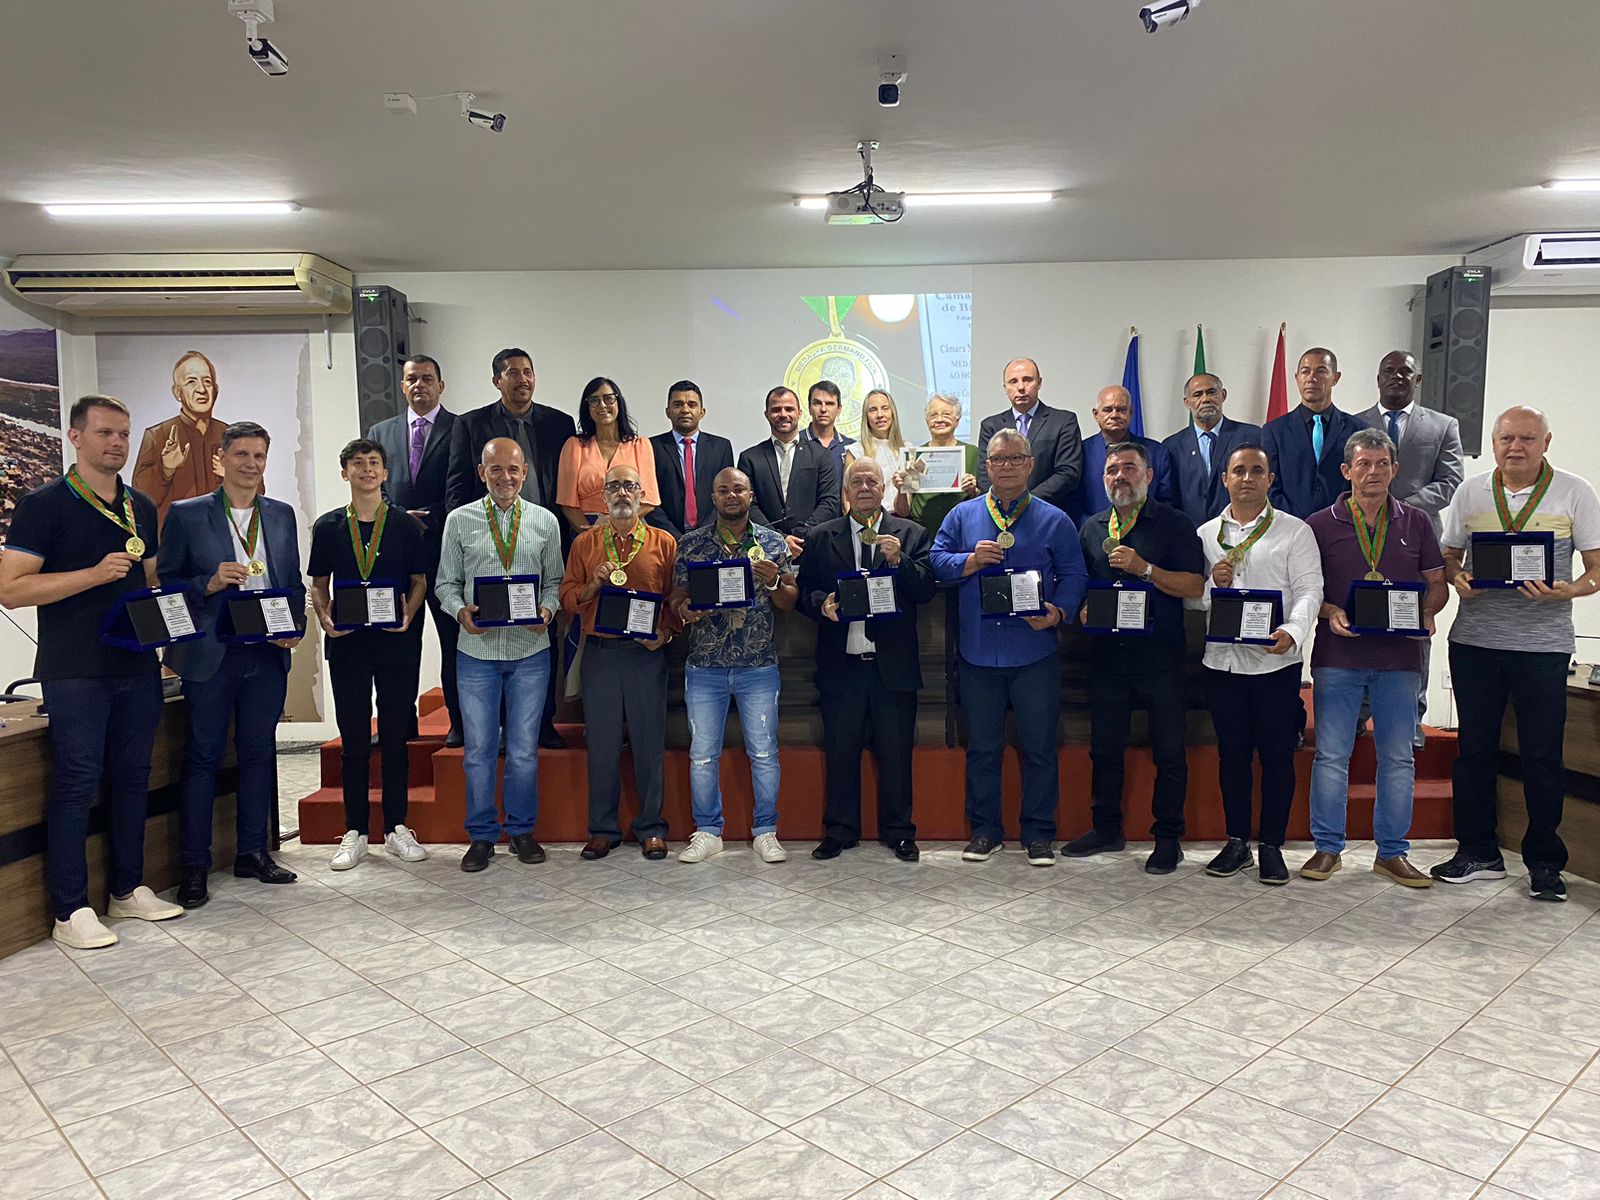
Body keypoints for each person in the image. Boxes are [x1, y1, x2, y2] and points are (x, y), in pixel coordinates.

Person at [0, 395, 184, 948]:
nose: (117, 443)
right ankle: (70, 908)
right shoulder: (44, 504)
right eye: (105, 433)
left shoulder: (141, 507)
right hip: (75, 668)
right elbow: (11, 588)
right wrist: (91, 575)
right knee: (78, 783)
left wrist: (173, 615)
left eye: (124, 434)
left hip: (136, 664)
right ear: (76, 437)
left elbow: (147, 580)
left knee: (133, 778)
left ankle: (126, 890)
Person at [1433, 406, 1600, 901]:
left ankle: (1546, 863)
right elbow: (1448, 554)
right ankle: (1478, 852)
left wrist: (1567, 592)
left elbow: (1595, 568)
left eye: (1527, 438)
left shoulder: (1575, 491)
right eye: (1506, 438)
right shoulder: (1471, 491)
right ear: (1495, 441)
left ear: (1546, 442)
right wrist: (1456, 577)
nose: (1516, 447)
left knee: (1543, 755)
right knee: (1475, 752)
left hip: (1541, 648)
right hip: (1475, 643)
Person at [159, 420, 304, 909]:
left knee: (259, 753)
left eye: (259, 456)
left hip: (265, 652)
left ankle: (253, 852)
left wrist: (295, 627)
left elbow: (293, 584)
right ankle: (194, 866)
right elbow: (168, 586)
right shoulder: (186, 514)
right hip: (211, 652)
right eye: (241, 454)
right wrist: (208, 582)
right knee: (202, 757)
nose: (251, 464)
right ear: (221, 459)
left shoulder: (280, 516)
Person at [930, 429, 1087, 865]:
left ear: (1030, 464)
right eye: (998, 460)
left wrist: (1058, 612)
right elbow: (935, 561)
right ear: (987, 466)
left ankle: (1038, 835)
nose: (1006, 466)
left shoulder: (1055, 519)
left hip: (1033, 651)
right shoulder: (963, 516)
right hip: (978, 653)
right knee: (982, 749)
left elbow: (1075, 576)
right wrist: (969, 560)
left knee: (1039, 749)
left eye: (1015, 458)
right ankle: (984, 831)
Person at [1302, 428, 1447, 887]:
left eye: (1382, 464)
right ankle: (1327, 849)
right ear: (1346, 472)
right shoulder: (1318, 525)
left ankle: (1392, 853)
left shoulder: (1417, 522)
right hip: (1338, 656)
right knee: (1330, 756)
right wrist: (1328, 611)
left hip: (1400, 660)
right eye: (1363, 464)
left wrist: (1427, 612)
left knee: (1399, 758)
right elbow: (1309, 590)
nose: (1372, 472)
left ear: (1395, 470)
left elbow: (1437, 583)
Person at [1065, 442, 1206, 874]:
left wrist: (1145, 568)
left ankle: (1168, 838)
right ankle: (1107, 828)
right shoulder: (1091, 528)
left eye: (1129, 468)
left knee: (1168, 752)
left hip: (1161, 658)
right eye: (1111, 470)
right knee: (1105, 751)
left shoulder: (1175, 524)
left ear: (1147, 476)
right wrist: (1085, 606)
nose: (1119, 476)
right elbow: (1083, 585)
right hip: (1108, 658)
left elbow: (1195, 586)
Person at [1193, 445, 1323, 885]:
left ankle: (1271, 846)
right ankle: (1236, 843)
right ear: (1225, 479)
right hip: (1223, 665)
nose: (1247, 478)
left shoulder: (1295, 532)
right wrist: (1213, 582)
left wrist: (1293, 630)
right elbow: (1195, 599)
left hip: (1274, 664)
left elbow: (1310, 591)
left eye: (1257, 471)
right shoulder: (1207, 534)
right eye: (1238, 471)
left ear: (1270, 479)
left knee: (1276, 757)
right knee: (1231, 756)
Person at [797, 458, 936, 862]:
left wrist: (899, 561)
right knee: (841, 753)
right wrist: (821, 604)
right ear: (845, 490)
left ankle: (900, 832)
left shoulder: (910, 534)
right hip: (842, 665)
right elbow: (805, 590)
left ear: (883, 489)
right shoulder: (823, 537)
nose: (863, 487)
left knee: (896, 754)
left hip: (892, 666)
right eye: (855, 481)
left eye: (871, 480)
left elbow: (926, 590)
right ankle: (840, 831)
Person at [437, 438, 565, 873]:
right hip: (476, 652)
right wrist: (460, 612)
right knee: (478, 750)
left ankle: (522, 831)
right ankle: (481, 836)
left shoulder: (546, 522)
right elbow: (445, 584)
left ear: (525, 472)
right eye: (496, 470)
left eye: (513, 470)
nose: (505, 478)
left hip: (531, 651)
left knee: (524, 750)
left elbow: (554, 583)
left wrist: (547, 610)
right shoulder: (459, 521)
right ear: (481, 472)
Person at [307, 439, 430, 871]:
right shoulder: (328, 527)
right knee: (354, 738)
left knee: (396, 735)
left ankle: (397, 826)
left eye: (374, 463)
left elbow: (419, 581)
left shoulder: (405, 525)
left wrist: (409, 613)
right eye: (357, 463)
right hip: (349, 644)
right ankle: (355, 830)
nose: (366, 470)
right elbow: (318, 586)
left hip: (397, 642)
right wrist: (324, 619)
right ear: (345, 473)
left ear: (385, 472)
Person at [443, 347, 575, 749]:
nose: (523, 379)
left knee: (540, 633)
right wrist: (469, 528)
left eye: (528, 372)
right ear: (496, 380)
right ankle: (473, 725)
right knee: (483, 637)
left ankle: (542, 721)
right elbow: (456, 487)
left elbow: (563, 485)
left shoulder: (558, 422)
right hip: (485, 538)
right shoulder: (470, 424)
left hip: (538, 537)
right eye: (513, 373)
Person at [669, 468, 797, 864]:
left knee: (763, 753)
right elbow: (677, 597)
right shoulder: (691, 544)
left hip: (758, 666)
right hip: (705, 665)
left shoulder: (773, 543)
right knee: (702, 754)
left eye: (738, 489)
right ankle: (708, 831)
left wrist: (776, 582)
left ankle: (766, 831)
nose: (730, 495)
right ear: (712, 496)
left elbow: (791, 601)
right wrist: (684, 609)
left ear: (751, 495)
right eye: (722, 489)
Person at [559, 464, 676, 861]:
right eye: (614, 487)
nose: (622, 493)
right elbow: (567, 598)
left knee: (648, 743)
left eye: (629, 486)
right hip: (602, 655)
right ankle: (602, 829)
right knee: (603, 745)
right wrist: (593, 584)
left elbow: (675, 600)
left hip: (645, 657)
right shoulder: (585, 544)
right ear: (603, 497)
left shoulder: (663, 543)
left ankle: (651, 827)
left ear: (642, 494)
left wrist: (665, 633)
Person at [1360, 350, 1465, 746]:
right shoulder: (1356, 424)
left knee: (1416, 625)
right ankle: (1362, 712)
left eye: (1405, 372)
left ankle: (1412, 717)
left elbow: (1450, 480)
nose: (1397, 377)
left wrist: (1400, 509)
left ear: (1417, 379)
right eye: (1389, 371)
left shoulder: (1442, 425)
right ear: (1378, 378)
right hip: (1362, 538)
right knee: (1362, 622)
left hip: (1417, 539)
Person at [366, 354, 462, 744]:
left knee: (454, 643)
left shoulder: (461, 428)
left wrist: (433, 517)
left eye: (427, 378)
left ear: (441, 385)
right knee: (398, 643)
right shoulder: (381, 430)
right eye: (411, 379)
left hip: (445, 550)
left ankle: (460, 723)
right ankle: (398, 724)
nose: (419, 385)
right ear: (403, 386)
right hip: (398, 553)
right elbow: (376, 485)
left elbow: (462, 488)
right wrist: (400, 517)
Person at [133, 349, 261, 527]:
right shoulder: (158, 435)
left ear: (215, 390)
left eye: (207, 382)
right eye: (191, 382)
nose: (201, 389)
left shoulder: (232, 436)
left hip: (226, 539)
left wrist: (233, 476)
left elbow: (260, 496)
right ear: (177, 392)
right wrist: (165, 470)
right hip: (176, 542)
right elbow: (140, 502)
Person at [738, 386, 841, 560]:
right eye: (776, 409)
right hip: (764, 551)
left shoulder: (821, 455)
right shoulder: (750, 458)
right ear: (766, 414)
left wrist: (801, 534)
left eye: (789, 409)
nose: (783, 414)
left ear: (800, 413)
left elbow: (830, 502)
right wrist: (779, 538)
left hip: (812, 548)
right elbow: (749, 505)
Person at [1261, 349, 1366, 518]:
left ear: (1335, 378)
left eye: (1321, 371)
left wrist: (1339, 518)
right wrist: (1295, 521)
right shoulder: (1274, 431)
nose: (1312, 378)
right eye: (1305, 371)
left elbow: (1362, 481)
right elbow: (1269, 485)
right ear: (1297, 378)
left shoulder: (1358, 429)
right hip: (1290, 529)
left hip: (1343, 525)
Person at [975, 357, 1083, 513]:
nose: (1021, 387)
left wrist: (1026, 502)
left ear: (1039, 383)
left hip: (1047, 514)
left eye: (1027, 380)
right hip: (1000, 514)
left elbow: (1068, 472)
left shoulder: (1063, 421)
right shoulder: (990, 426)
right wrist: (1004, 504)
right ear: (1005, 387)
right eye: (1013, 381)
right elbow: (985, 474)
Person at [556, 377, 660, 533]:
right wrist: (591, 535)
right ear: (588, 409)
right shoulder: (575, 446)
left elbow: (649, 501)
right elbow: (567, 503)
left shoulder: (640, 446)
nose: (602, 405)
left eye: (608, 399)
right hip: (586, 528)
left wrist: (612, 523)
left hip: (631, 527)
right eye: (594, 400)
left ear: (618, 403)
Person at [1161, 373, 1261, 530]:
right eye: (1197, 394)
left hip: (1243, 531)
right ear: (1187, 402)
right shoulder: (1172, 446)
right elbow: (1169, 498)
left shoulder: (1252, 436)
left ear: (1223, 395)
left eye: (1211, 392)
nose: (1205, 399)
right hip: (1189, 536)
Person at [1072, 385, 1176, 526]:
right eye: (1108, 410)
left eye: (1121, 410)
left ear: (1131, 413)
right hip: (1093, 537)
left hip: (1147, 536)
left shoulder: (1156, 452)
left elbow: (1166, 501)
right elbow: (1074, 502)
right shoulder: (1079, 452)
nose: (1114, 415)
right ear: (1096, 414)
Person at [648, 380, 738, 539]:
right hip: (666, 538)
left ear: (702, 412)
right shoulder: (651, 447)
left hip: (712, 536)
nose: (685, 410)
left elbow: (725, 495)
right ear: (667, 411)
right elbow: (650, 500)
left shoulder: (721, 447)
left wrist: (702, 534)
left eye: (692, 404)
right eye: (677, 405)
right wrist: (675, 537)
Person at [891, 392, 980, 537]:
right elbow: (903, 512)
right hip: (923, 534)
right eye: (933, 415)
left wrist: (972, 491)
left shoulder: (972, 453)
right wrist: (901, 489)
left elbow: (983, 504)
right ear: (927, 422)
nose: (939, 420)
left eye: (946, 415)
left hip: (961, 531)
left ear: (957, 421)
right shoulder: (914, 456)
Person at [844, 388, 909, 513]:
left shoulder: (906, 450)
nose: (880, 415)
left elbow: (909, 505)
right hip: (866, 523)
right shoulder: (855, 451)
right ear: (866, 416)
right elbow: (847, 501)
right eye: (873, 410)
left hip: (903, 521)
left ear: (893, 413)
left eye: (885, 408)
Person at [799, 379, 856, 476]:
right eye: (817, 403)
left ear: (839, 409)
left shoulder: (852, 447)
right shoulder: (795, 442)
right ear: (809, 408)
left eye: (829, 404)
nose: (823, 409)